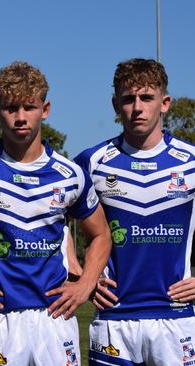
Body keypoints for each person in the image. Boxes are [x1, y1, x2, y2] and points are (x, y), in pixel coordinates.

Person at [0, 61, 111, 365]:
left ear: (46, 109)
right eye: (11, 108)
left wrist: (85, 284)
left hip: (54, 318)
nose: (20, 117)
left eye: (30, 107)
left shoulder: (71, 174)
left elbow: (101, 234)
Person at [75, 58, 195, 365]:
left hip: (177, 319)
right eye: (128, 99)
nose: (137, 107)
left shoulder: (190, 162)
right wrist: (80, 277)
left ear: (165, 103)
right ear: (116, 104)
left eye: (146, 98)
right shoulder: (91, 162)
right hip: (113, 319)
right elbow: (54, 222)